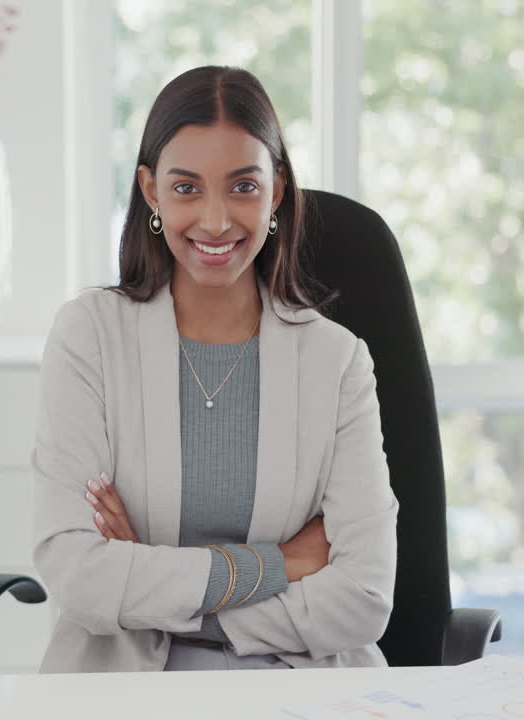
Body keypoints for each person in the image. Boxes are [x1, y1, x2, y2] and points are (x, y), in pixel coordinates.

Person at [31, 65, 398, 673]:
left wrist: (149, 579)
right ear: (150, 191)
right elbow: (77, 575)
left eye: (242, 187)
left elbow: (363, 596)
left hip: (298, 684)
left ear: (276, 191)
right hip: (124, 685)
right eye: (186, 189)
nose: (216, 220)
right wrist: (280, 564)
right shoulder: (90, 337)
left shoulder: (337, 362)